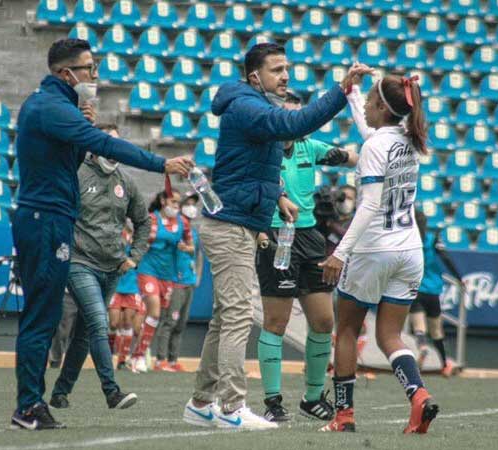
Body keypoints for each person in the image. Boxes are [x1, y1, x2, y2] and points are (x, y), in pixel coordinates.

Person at [11, 38, 192, 430]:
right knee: (41, 317)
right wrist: (161, 162)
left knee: (48, 314)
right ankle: (28, 406)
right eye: (89, 68)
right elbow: (105, 146)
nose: (94, 75)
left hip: (51, 217)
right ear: (66, 74)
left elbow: (71, 156)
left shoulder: (56, 107)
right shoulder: (51, 107)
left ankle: (39, 400)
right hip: (45, 219)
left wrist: (82, 127)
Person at [182, 42, 352, 431]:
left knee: (225, 318)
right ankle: (231, 407)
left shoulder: (250, 105)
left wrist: (277, 196)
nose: (286, 75)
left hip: (241, 221)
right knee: (239, 314)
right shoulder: (248, 107)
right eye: (277, 70)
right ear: (255, 76)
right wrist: (341, 92)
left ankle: (200, 403)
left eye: (286, 68)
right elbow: (293, 125)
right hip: (230, 225)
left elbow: (251, 165)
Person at [318, 64, 439, 433]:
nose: (367, 106)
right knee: (391, 337)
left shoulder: (375, 146)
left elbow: (368, 205)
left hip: (374, 251)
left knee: (348, 330)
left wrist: (340, 252)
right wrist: (355, 92)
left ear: (384, 107)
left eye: (372, 100)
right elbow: (372, 129)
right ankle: (418, 396)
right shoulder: (409, 139)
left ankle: (344, 416)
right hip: (409, 250)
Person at [254, 89, 359, 423]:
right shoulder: (262, 150)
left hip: (310, 237)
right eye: (292, 115)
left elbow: (350, 158)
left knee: (324, 321)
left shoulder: (309, 147)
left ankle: (312, 397)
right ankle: (272, 402)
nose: (299, 122)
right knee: (276, 322)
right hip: (274, 235)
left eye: (302, 115)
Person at [47, 123, 152, 413]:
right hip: (80, 263)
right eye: (109, 143)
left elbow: (144, 221)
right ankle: (112, 391)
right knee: (98, 321)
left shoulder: (126, 182)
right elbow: (57, 214)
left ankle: (60, 392)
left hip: (112, 268)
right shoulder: (77, 175)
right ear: (94, 146)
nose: (114, 150)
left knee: (83, 333)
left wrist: (136, 256)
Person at [132, 191, 193, 373]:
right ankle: (140, 356)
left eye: (178, 202)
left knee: (155, 317)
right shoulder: (151, 219)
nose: (176, 205)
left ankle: (139, 352)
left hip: (169, 275)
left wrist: (185, 247)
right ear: (162, 200)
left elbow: (191, 247)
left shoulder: (183, 222)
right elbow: (139, 240)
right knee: (155, 310)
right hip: (148, 270)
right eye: (173, 201)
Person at [153, 192, 203, 372]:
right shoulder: (174, 227)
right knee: (169, 321)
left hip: (189, 282)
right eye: (187, 203)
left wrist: (197, 277)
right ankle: (160, 360)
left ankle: (173, 360)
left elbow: (197, 256)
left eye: (193, 204)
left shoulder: (193, 231)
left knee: (181, 323)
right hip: (175, 281)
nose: (191, 207)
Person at [409, 210, 457, 377]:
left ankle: (422, 347)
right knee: (436, 331)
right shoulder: (433, 238)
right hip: (432, 290)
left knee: (419, 328)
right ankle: (444, 364)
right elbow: (446, 259)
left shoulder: (408, 239)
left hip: (414, 289)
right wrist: (459, 278)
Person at [109, 224, 145, 370]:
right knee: (113, 323)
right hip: (116, 285)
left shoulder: (137, 243)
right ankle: (109, 354)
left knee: (127, 322)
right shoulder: (114, 239)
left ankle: (122, 360)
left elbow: (140, 255)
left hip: (131, 287)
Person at [48, 290, 77, 368]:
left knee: (81, 336)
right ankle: (54, 365)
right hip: (67, 294)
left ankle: (73, 368)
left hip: (89, 294)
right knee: (61, 334)